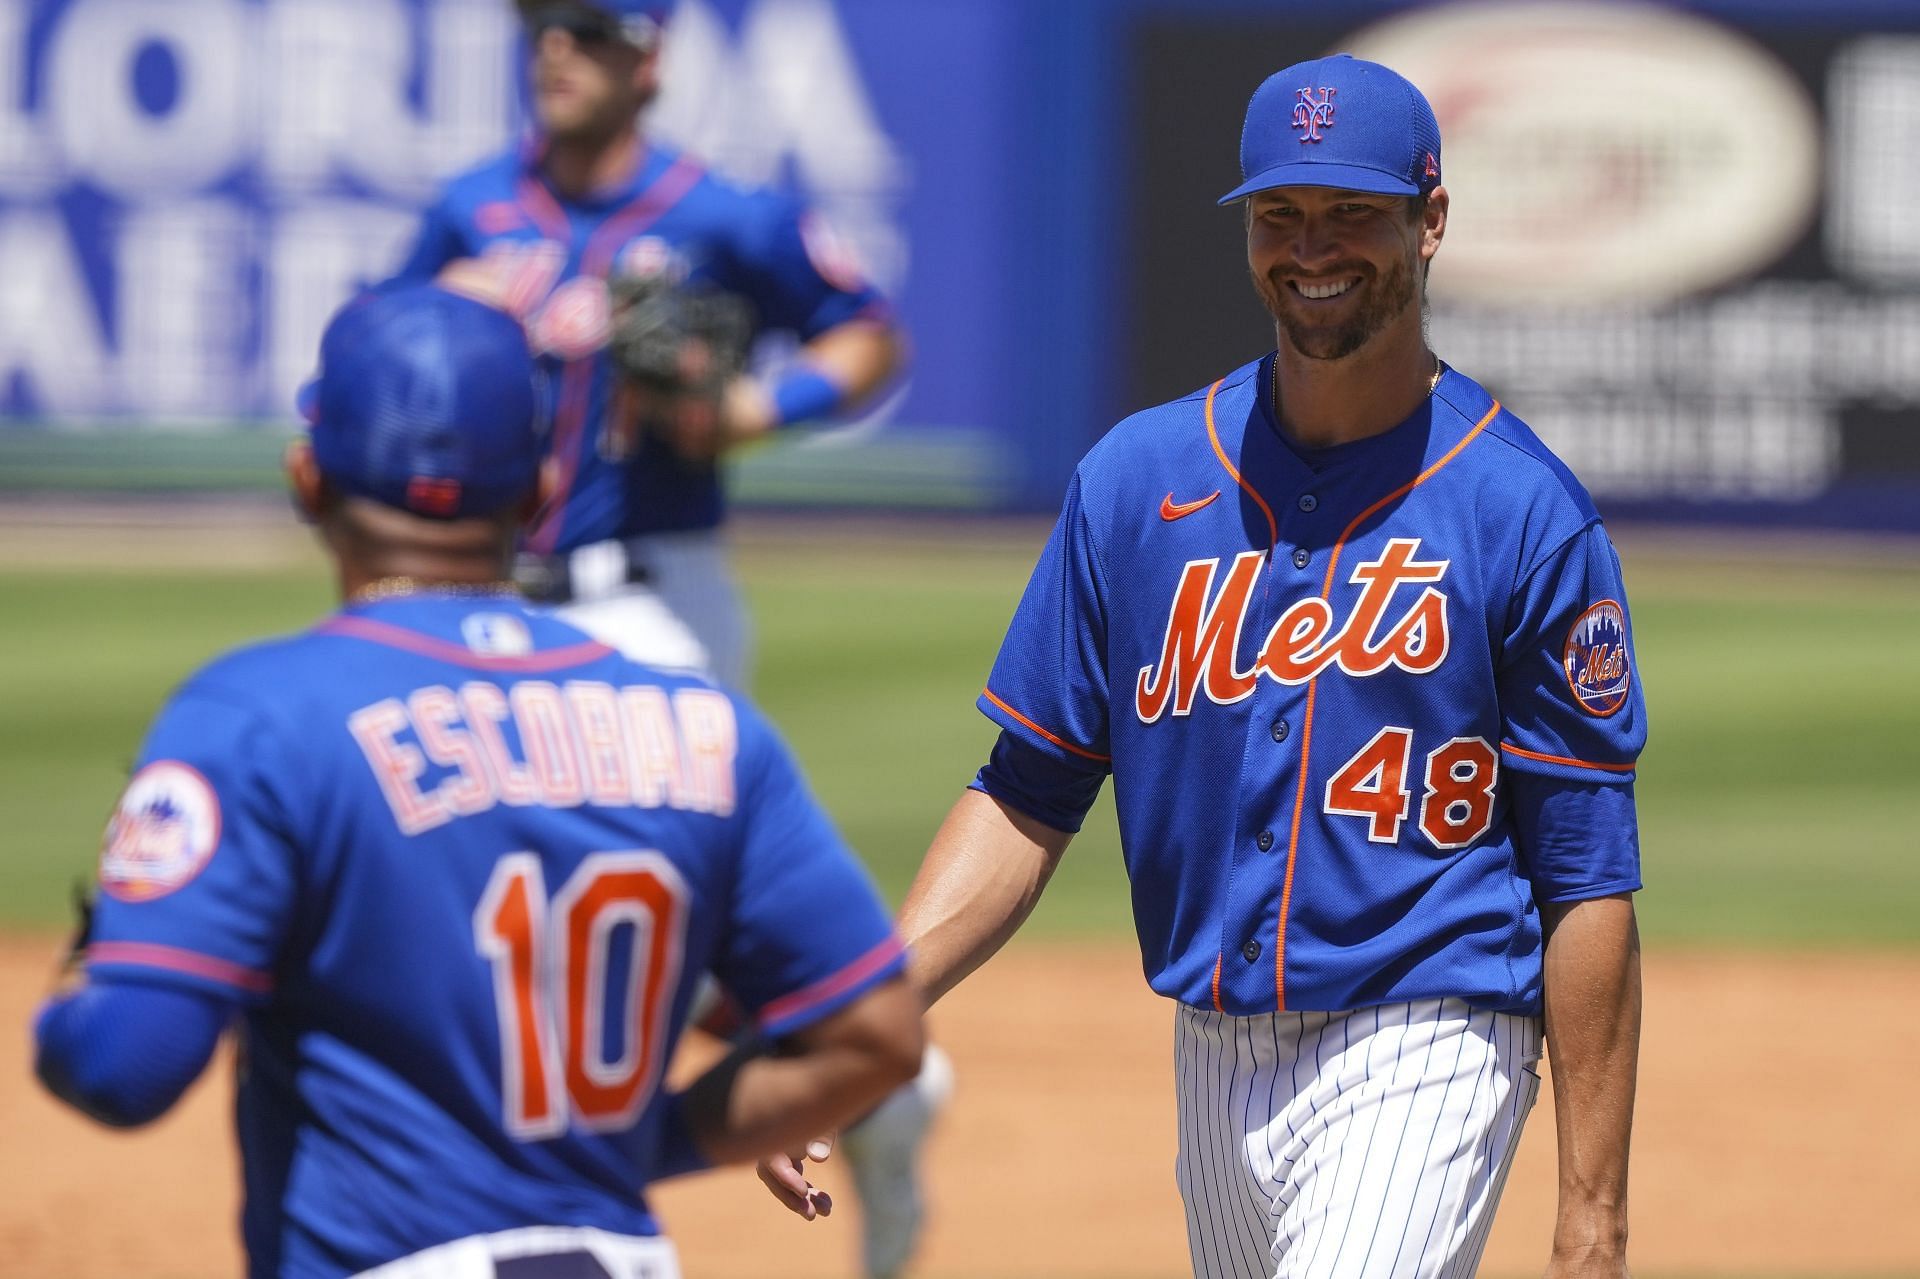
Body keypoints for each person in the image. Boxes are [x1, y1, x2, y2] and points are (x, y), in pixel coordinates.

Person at [763, 54, 1646, 1279]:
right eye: (1281, 215)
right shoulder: (1137, 479)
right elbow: (1027, 789)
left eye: (1353, 214)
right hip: (1212, 1049)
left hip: (1432, 1036)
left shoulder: (1522, 509)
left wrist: (1592, 1213)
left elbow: (1585, 869)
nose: (1312, 247)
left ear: (1429, 222)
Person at [32, 283, 924, 1279]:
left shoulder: (258, 716)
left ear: (305, 479)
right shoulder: (705, 725)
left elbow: (122, 1063)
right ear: (542, 489)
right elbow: (874, 1039)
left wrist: (88, 968)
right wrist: (634, 1145)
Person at [394, 18, 948, 1271]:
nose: (557, 51)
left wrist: (746, 409)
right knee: (508, 908)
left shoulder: (725, 214)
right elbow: (381, 353)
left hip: (655, 598)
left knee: (668, 906)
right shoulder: (472, 209)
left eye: (591, 32)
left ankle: (859, 1074)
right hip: (490, 601)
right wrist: (439, 306)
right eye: (544, 27)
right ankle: (858, 1077)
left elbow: (868, 332)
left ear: (650, 62)